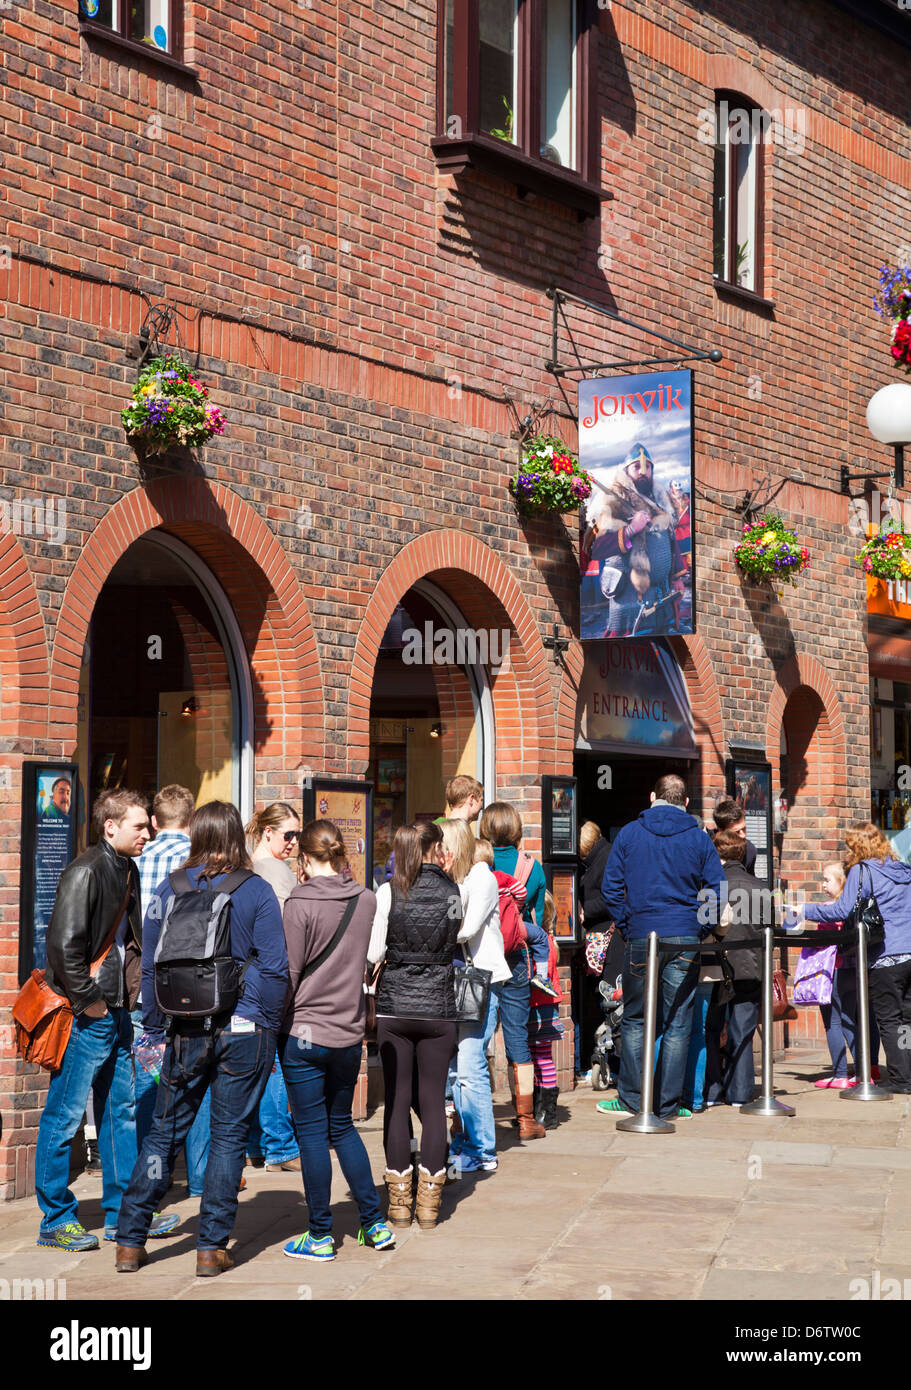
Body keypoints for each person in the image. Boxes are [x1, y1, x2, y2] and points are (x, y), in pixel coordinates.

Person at [114, 801, 289, 1276]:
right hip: (244, 1027)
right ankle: (210, 1247)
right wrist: (267, 1022)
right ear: (236, 836)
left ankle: (130, 1240)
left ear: (195, 835)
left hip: (182, 1027)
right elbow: (274, 968)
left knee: (164, 1131)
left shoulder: (167, 890)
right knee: (229, 1135)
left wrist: (154, 1026)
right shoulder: (256, 890)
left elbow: (149, 967)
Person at [35, 789, 180, 1251]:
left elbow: (131, 944)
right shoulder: (85, 872)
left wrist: (128, 1002)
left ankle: (123, 1213)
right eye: (139, 825)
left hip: (118, 1010)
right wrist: (92, 1004)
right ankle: (55, 1219)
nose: (148, 832)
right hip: (89, 1014)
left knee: (119, 1114)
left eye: (148, 824)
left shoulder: (128, 869)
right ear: (110, 826)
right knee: (64, 1116)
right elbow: (62, 949)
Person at [279, 820, 394, 1260]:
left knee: (311, 1133)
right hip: (348, 1033)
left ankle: (320, 1235)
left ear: (305, 859)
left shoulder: (298, 903)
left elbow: (288, 975)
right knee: (343, 1126)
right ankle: (374, 1224)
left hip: (304, 1032)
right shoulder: (365, 900)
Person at [597, 774, 724, 1121]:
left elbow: (611, 888)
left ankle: (632, 1099)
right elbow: (717, 887)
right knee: (679, 1021)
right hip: (683, 936)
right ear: (685, 802)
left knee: (636, 1020)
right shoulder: (699, 839)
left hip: (641, 935)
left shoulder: (629, 834)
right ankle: (668, 1104)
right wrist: (700, 926)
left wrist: (628, 924)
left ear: (653, 796)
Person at [368, 821, 461, 1229]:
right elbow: (456, 936)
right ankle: (429, 1205)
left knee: (396, 1098)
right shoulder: (453, 891)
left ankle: (399, 1203)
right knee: (433, 1103)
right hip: (439, 1007)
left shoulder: (388, 892)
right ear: (436, 848)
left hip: (394, 1007)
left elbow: (373, 951)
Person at [133, 785, 211, 1199]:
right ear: (192, 817)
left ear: (155, 821)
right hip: (189, 988)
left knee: (148, 1083)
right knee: (196, 1081)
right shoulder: (196, 867)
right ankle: (199, 1178)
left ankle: (149, 1178)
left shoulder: (137, 860)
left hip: (144, 985)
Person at [799, 824, 908, 1090]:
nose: (847, 852)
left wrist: (804, 910)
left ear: (858, 846)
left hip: (886, 955)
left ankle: (901, 1080)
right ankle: (907, 1073)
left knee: (889, 1019)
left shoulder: (863, 870)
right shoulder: (903, 870)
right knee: (906, 1018)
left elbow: (841, 909)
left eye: (849, 846)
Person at [479, 802, 554, 1138]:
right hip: (517, 958)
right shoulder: (532, 867)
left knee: (476, 1040)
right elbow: (537, 918)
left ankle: (470, 1118)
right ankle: (525, 1120)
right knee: (517, 1038)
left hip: (481, 958)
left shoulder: (477, 862)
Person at [441, 824, 511, 1175]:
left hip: (481, 980)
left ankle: (482, 1149)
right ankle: (466, 1143)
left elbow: (463, 929)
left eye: (444, 848)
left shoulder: (481, 877)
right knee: (458, 1071)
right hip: (462, 982)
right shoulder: (458, 880)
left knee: (470, 1068)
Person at [245, 802, 303, 1173]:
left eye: (297, 835)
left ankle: (256, 1143)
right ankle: (280, 1147)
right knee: (275, 1062)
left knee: (256, 1062)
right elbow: (286, 932)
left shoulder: (249, 866)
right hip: (272, 977)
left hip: (248, 979)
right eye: (288, 835)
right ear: (268, 833)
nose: (293, 842)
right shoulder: (275, 871)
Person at [704, 829, 765, 1108]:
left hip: (717, 966)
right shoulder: (761, 887)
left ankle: (713, 1091)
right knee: (743, 1030)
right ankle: (741, 1093)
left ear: (717, 854)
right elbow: (769, 931)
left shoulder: (711, 886)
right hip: (751, 967)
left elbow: (703, 928)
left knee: (712, 1028)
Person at [812, 860, 881, 1090]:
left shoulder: (830, 910)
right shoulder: (856, 908)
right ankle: (863, 1072)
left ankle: (840, 1073)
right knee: (851, 1020)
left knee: (832, 1022)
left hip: (835, 971)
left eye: (827, 880)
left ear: (841, 882)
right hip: (855, 971)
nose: (823, 885)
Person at [575, 820, 620, 1085]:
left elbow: (611, 898)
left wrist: (584, 910)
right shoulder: (600, 857)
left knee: (608, 1000)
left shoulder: (605, 860)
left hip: (605, 938)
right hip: (599, 938)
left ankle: (609, 1063)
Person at [529, 891, 564, 1129]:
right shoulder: (549, 941)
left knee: (542, 1058)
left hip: (540, 1008)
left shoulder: (542, 943)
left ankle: (548, 1112)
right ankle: (538, 1109)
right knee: (537, 1058)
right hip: (542, 1008)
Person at [712, 796, 758, 875]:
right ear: (721, 831)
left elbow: (750, 881)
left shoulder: (749, 850)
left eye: (744, 829)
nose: (743, 835)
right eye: (736, 832)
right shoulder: (707, 849)